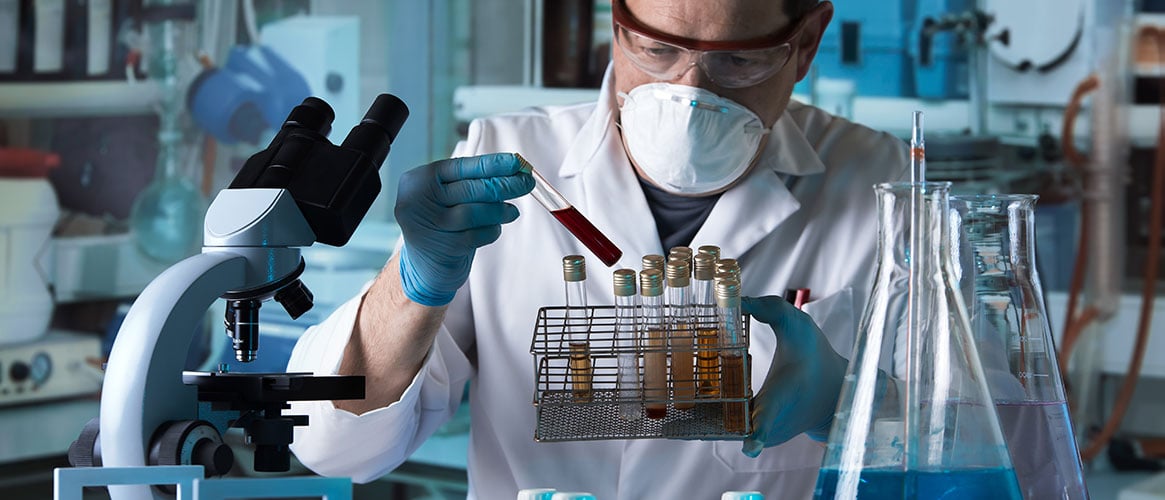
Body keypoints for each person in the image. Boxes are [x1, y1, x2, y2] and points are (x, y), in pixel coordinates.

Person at [287, 0, 908, 497]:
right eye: (659, 49)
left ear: (804, 44)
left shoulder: (888, 188)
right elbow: (333, 446)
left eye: (739, 61)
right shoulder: (506, 152)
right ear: (616, 26)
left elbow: (988, 451)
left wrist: (853, 402)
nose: (691, 93)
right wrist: (411, 285)